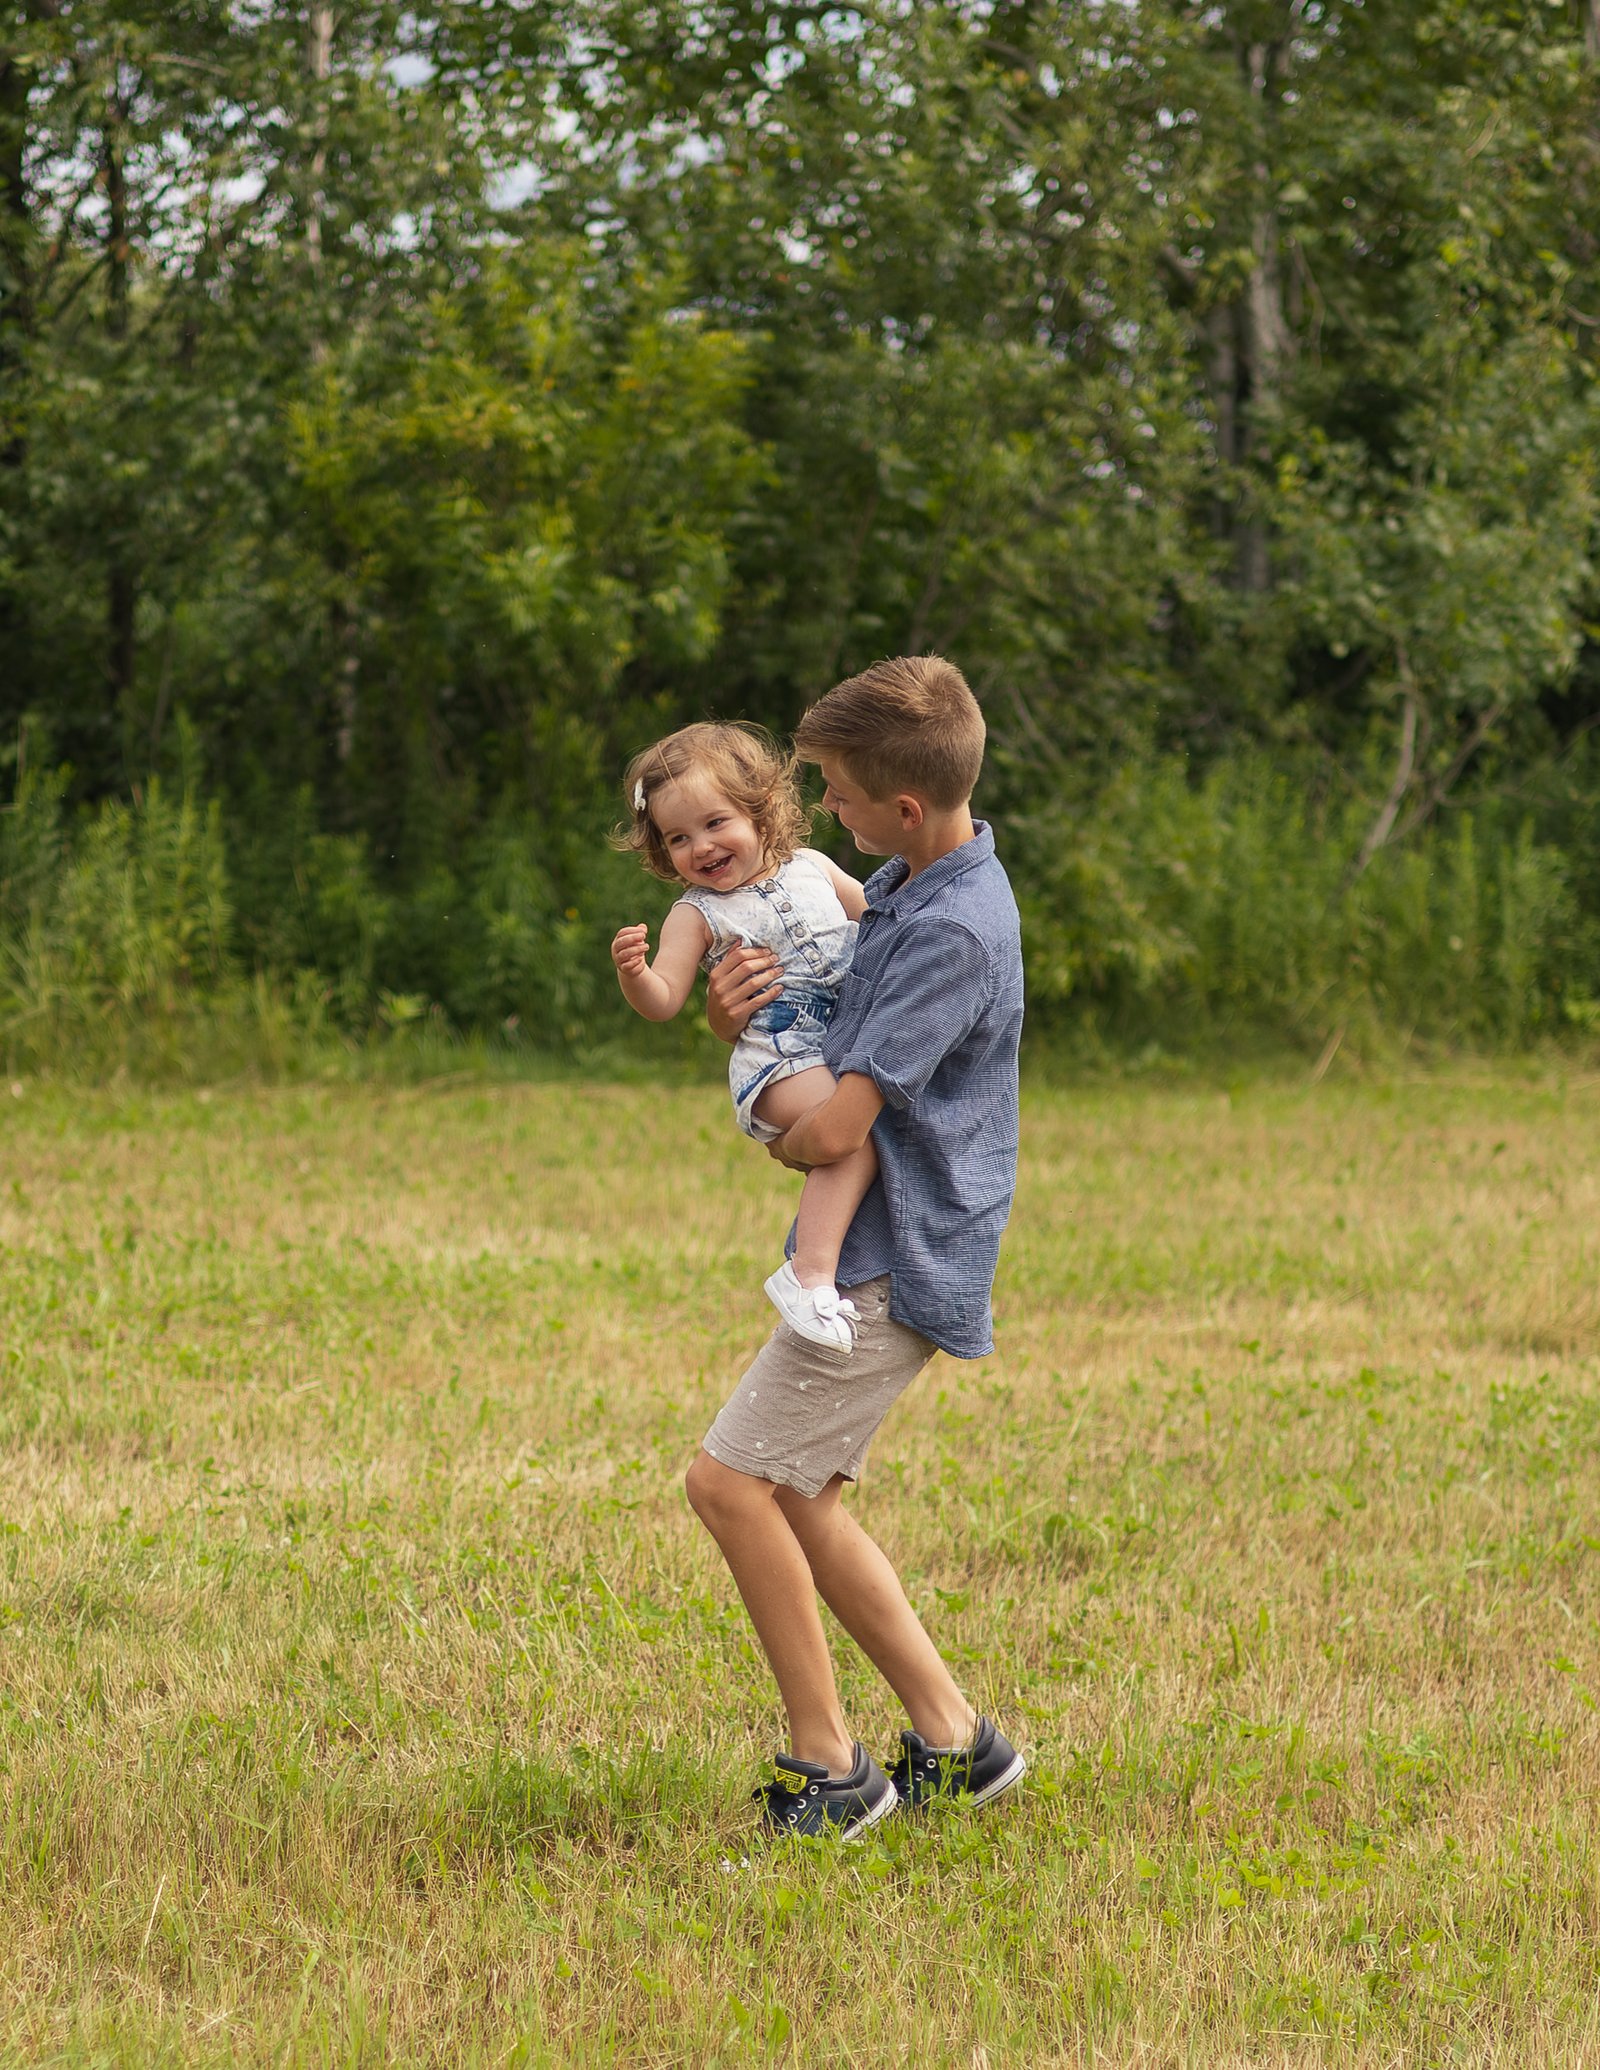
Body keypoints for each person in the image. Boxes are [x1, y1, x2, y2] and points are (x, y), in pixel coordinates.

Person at [688, 654, 1027, 1840]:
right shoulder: (911, 882)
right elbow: (821, 1029)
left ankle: (830, 1769)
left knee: (729, 1486)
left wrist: (770, 1127)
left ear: (904, 805)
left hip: (895, 1253)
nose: (821, 808)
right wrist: (737, 1025)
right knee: (801, 1498)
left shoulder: (953, 933)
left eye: (834, 790)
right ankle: (955, 1743)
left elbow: (838, 1128)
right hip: (887, 1236)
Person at [610, 721, 880, 1353]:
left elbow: (879, 921)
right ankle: (809, 1276)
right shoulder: (696, 913)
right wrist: (635, 975)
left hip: (837, 1040)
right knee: (850, 1138)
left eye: (715, 823)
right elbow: (663, 1000)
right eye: (678, 837)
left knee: (864, 1132)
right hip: (779, 1058)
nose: (700, 847)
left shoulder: (814, 866)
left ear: (760, 809)